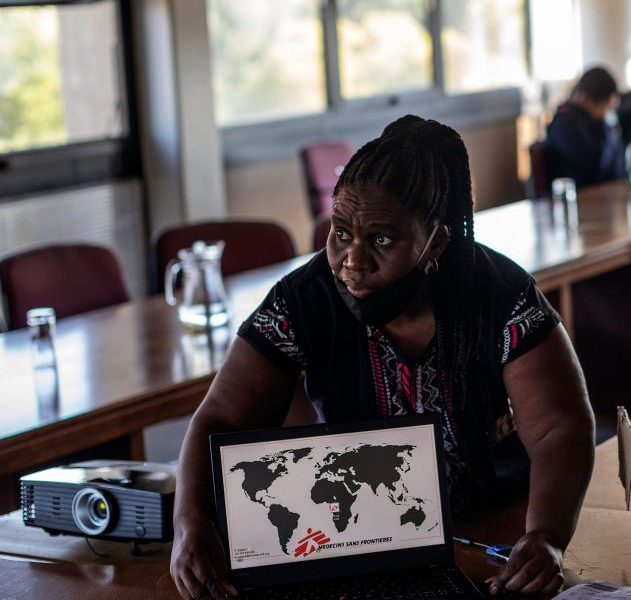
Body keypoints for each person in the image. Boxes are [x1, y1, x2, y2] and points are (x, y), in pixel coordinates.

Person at [169, 116, 596, 598]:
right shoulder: (303, 300)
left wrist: (545, 536)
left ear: (434, 241)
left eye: (382, 240)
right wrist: (190, 521)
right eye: (341, 233)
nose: (352, 259)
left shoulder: (500, 295)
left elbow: (558, 427)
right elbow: (221, 419)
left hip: (498, 532)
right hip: (357, 536)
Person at [543, 66, 626, 188]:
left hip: (599, 193)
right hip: (579, 195)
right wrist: (610, 133)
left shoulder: (592, 121)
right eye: (605, 105)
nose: (607, 112)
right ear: (587, 99)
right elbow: (596, 167)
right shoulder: (564, 123)